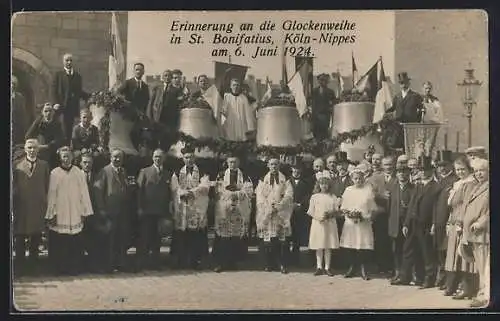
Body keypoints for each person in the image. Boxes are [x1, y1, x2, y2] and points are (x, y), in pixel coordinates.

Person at [393, 156, 442, 288]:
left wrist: (434, 223)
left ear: (431, 171)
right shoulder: (418, 185)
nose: (423, 172)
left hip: (426, 224)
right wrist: (406, 223)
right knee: (407, 250)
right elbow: (412, 205)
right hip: (413, 223)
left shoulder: (437, 187)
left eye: (426, 170)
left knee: (426, 251)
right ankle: (405, 277)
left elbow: (437, 208)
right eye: (421, 170)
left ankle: (429, 279)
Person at [45, 147, 93, 275]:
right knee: (61, 241)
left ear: (72, 157)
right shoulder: (54, 173)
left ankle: (74, 268)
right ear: (60, 158)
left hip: (75, 211)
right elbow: (51, 194)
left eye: (68, 156)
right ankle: (59, 268)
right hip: (61, 212)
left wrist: (85, 211)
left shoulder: (78, 172)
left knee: (74, 241)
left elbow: (84, 193)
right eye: (63, 156)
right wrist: (52, 213)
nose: (66, 159)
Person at [12, 139, 50, 276]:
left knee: (35, 238)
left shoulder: (44, 165)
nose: (32, 150)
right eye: (29, 147)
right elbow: (14, 186)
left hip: (38, 207)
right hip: (22, 207)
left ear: (38, 149)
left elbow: (47, 186)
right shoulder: (16, 165)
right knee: (20, 239)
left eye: (34, 147)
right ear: (25, 149)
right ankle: (20, 268)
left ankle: (33, 268)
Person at [170, 146, 210, 270]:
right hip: (182, 207)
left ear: (194, 157)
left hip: (196, 206)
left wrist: (192, 192)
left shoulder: (202, 171)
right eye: (186, 157)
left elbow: (205, 186)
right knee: (182, 234)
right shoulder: (177, 172)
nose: (189, 159)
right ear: (183, 158)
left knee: (196, 234)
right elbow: (174, 187)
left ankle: (195, 261)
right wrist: (181, 192)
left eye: (191, 157)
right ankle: (181, 260)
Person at [93, 148, 133, 273]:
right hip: (109, 211)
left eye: (119, 157)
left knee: (121, 239)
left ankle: (120, 263)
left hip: (122, 211)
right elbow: (98, 191)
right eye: (115, 157)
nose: (117, 159)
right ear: (110, 158)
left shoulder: (124, 171)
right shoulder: (104, 171)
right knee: (110, 239)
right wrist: (101, 209)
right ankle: (108, 265)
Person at [443, 156, 477, 299]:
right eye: (458, 169)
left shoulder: (470, 183)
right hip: (453, 222)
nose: (460, 172)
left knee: (464, 256)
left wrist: (460, 223)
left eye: (463, 169)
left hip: (462, 224)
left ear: (469, 169)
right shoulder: (458, 183)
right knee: (454, 257)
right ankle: (454, 285)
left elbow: (466, 206)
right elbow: (452, 206)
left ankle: (466, 288)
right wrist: (449, 222)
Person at [213, 155, 253, 272]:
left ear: (239, 163)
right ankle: (221, 263)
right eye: (230, 162)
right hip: (224, 209)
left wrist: (237, 194)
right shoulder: (221, 175)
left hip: (239, 209)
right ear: (227, 162)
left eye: (235, 162)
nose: (232, 164)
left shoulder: (245, 176)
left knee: (235, 236)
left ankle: (233, 262)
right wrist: (230, 195)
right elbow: (218, 190)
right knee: (223, 236)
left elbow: (249, 190)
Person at [255, 157, 294, 274]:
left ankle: (281, 264)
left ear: (279, 166)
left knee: (281, 240)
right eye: (271, 164)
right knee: (268, 240)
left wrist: (280, 205)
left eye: (276, 164)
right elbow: (259, 196)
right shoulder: (263, 179)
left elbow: (289, 194)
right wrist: (268, 208)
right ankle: (268, 264)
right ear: (268, 165)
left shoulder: (285, 179)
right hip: (267, 212)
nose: (274, 166)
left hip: (280, 213)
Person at [136, 148, 172, 271]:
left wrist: (168, 209)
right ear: (152, 158)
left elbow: (169, 193)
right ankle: (141, 263)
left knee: (157, 238)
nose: (158, 159)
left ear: (164, 159)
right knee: (145, 237)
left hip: (160, 211)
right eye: (156, 156)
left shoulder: (168, 174)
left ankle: (155, 263)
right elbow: (139, 191)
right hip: (147, 210)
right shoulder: (145, 172)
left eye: (160, 157)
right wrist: (140, 207)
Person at [339, 165, 378, 280]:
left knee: (362, 246)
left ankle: (363, 268)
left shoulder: (368, 190)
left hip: (363, 222)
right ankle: (352, 267)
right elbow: (343, 206)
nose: (358, 180)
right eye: (356, 178)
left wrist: (363, 216)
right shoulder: (348, 190)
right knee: (351, 245)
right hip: (350, 222)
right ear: (352, 179)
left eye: (360, 178)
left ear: (364, 178)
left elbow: (372, 208)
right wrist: (350, 214)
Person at [460, 158, 489, 308]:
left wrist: (481, 223)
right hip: (474, 235)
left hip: (483, 234)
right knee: (480, 266)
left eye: (481, 170)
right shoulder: (477, 187)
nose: (478, 173)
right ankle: (483, 292)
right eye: (476, 171)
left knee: (486, 267)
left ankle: (485, 295)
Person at [432, 150, 459, 289]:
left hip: (448, 221)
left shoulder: (455, 180)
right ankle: (442, 277)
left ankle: (450, 280)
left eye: (445, 165)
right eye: (439, 165)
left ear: (451, 166)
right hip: (437, 221)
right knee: (439, 250)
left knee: (448, 250)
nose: (442, 168)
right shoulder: (439, 181)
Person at [367, 155, 396, 275]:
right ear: (382, 166)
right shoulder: (375, 178)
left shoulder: (399, 177)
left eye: (390, 164)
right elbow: (370, 194)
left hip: (394, 213)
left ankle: (393, 265)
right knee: (380, 240)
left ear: (393, 165)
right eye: (386, 165)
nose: (388, 167)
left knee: (393, 239)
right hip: (380, 213)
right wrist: (380, 195)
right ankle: (381, 265)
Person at [307, 175, 341, 276]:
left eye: (326, 184)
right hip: (318, 223)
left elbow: (337, 210)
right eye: (322, 184)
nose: (324, 186)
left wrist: (331, 214)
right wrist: (318, 217)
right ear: (319, 185)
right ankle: (319, 267)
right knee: (319, 245)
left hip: (330, 223)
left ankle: (327, 267)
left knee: (328, 245)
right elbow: (310, 211)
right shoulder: (314, 196)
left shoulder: (333, 196)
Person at [51, 53, 90, 142]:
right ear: (63, 61)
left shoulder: (77, 76)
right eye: (67, 60)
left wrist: (91, 96)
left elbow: (79, 92)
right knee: (59, 129)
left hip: (71, 108)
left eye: (70, 60)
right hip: (60, 107)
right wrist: (55, 103)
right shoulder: (58, 75)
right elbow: (53, 90)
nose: (69, 62)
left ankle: (67, 148)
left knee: (69, 129)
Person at [387, 164, 416, 282]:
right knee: (396, 249)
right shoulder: (392, 188)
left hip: (408, 224)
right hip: (395, 224)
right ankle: (398, 272)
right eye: (399, 172)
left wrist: (408, 223)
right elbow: (388, 207)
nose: (402, 174)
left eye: (404, 172)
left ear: (409, 174)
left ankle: (408, 274)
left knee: (408, 249)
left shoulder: (413, 188)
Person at [25, 103, 65, 169]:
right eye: (46, 111)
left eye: (50, 111)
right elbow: (28, 135)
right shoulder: (38, 122)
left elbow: (59, 139)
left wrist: (48, 146)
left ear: (53, 112)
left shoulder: (57, 123)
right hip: (39, 147)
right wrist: (36, 144)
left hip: (51, 149)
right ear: (42, 113)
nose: (48, 113)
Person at [288, 161, 313, 265]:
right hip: (288, 211)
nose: (296, 172)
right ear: (292, 170)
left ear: (301, 171)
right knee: (287, 235)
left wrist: (300, 204)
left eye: (298, 170)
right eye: (294, 170)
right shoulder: (287, 181)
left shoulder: (306, 183)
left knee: (297, 236)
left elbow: (308, 196)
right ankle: (286, 258)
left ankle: (296, 258)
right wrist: (290, 204)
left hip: (300, 212)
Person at [311, 73, 336, 140]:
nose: (323, 81)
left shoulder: (330, 92)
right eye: (321, 80)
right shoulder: (314, 91)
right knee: (316, 136)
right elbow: (312, 104)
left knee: (325, 136)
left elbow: (333, 105)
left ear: (327, 81)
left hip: (325, 117)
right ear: (318, 81)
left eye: (324, 80)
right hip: (316, 118)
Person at [11, 75, 31, 147]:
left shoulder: (20, 97)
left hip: (17, 125)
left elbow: (23, 113)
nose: (12, 85)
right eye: (10, 83)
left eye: (14, 84)